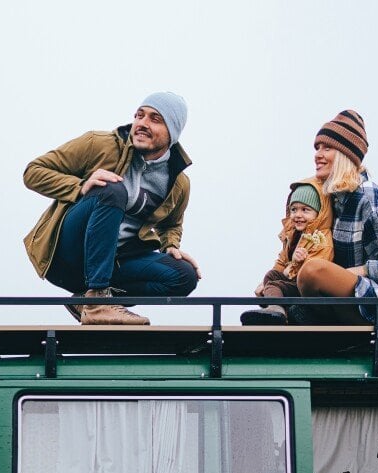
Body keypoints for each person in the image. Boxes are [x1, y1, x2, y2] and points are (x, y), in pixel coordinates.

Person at [22, 92, 201, 325]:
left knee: (184, 276)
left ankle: (86, 301)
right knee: (111, 189)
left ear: (173, 132)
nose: (142, 124)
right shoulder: (98, 144)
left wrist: (170, 245)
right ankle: (97, 301)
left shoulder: (178, 182)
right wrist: (80, 186)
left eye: (155, 119)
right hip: (68, 256)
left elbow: (171, 223)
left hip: (115, 262)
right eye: (139, 116)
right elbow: (33, 172)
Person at [289, 110, 378, 326]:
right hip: (346, 301)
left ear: (344, 155)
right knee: (289, 285)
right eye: (317, 148)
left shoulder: (369, 198)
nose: (318, 154)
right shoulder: (334, 201)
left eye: (327, 148)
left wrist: (349, 273)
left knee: (313, 270)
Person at [239, 181, 333, 325]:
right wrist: (264, 284)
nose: (298, 215)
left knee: (275, 286)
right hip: (292, 279)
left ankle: (276, 310)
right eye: (294, 209)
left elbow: (317, 271)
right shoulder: (293, 234)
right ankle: (275, 306)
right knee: (271, 276)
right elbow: (282, 262)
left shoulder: (321, 238)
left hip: (306, 287)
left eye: (305, 210)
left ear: (319, 213)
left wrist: (297, 263)